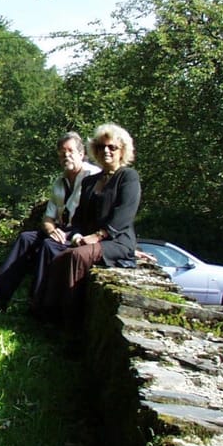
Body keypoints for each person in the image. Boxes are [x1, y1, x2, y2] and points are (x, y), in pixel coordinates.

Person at [0, 131, 99, 312]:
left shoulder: (93, 176)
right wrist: (50, 229)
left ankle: (37, 304)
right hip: (60, 229)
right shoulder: (59, 182)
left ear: (81, 154)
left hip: (80, 231)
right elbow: (48, 218)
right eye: (62, 152)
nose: (66, 155)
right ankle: (0, 298)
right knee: (26, 238)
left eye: (70, 151)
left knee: (49, 245)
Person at [35, 123, 141, 324]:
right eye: (101, 147)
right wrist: (76, 236)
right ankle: (45, 314)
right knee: (58, 257)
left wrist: (98, 236)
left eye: (112, 147)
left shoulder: (128, 177)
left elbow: (124, 215)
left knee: (75, 257)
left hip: (117, 242)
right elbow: (79, 219)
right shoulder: (90, 182)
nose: (106, 151)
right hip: (89, 240)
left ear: (122, 151)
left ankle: (71, 325)